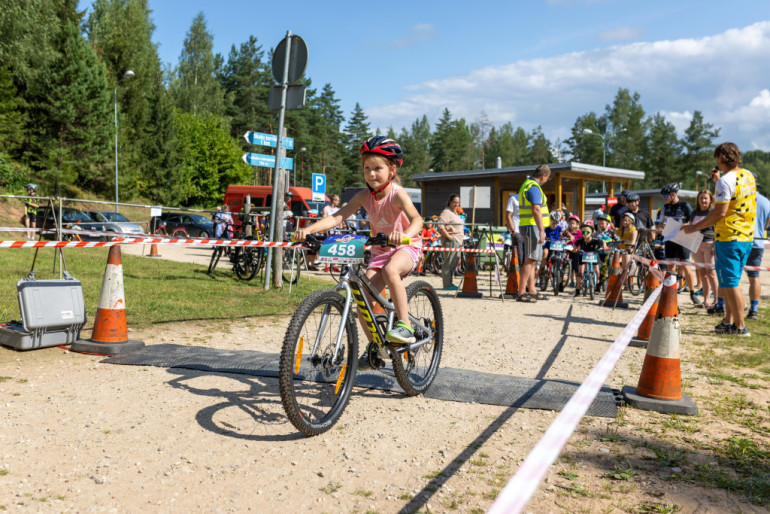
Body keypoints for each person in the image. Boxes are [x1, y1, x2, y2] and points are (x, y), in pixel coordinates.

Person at [293, 136, 423, 365]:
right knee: (363, 297)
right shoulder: (364, 196)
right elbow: (337, 217)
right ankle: (377, 347)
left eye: (377, 168)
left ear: (392, 169)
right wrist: (308, 229)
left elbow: (417, 220)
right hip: (380, 252)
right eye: (367, 168)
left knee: (392, 270)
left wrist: (405, 235)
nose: (371, 174)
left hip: (406, 247)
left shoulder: (398, 194)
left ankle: (405, 325)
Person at [683, 142, 756, 337]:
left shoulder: (725, 181)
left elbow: (719, 212)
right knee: (729, 283)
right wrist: (718, 181)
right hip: (745, 237)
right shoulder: (747, 175)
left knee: (731, 283)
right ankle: (729, 321)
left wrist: (693, 227)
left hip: (729, 237)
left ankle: (740, 327)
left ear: (721, 159)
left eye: (717, 158)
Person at [659, 183, 698, 304]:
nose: (664, 197)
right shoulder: (665, 207)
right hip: (670, 239)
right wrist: (663, 226)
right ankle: (670, 292)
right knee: (670, 267)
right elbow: (660, 223)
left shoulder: (685, 205)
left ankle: (692, 293)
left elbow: (693, 222)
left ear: (673, 194)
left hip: (683, 239)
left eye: (666, 195)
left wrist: (680, 227)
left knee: (685, 266)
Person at [517, 164, 551, 302]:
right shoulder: (533, 187)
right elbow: (536, 209)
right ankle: (521, 292)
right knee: (530, 259)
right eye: (547, 178)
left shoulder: (528, 184)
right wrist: (542, 230)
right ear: (543, 176)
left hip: (530, 225)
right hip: (532, 226)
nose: (546, 180)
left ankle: (532, 290)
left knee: (533, 260)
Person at [744, 188, 770, 320]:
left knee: (733, 277)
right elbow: (767, 224)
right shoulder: (766, 201)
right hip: (758, 242)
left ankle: (734, 304)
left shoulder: (742, 198)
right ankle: (753, 309)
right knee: (754, 277)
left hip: (740, 241)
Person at [691, 190, 718, 310]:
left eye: (706, 198)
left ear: (710, 200)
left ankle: (717, 301)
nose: (703, 201)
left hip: (709, 244)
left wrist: (715, 246)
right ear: (698, 200)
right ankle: (706, 301)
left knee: (711, 273)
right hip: (696, 244)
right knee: (703, 275)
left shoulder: (714, 212)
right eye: (701, 198)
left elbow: (718, 230)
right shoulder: (694, 213)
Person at [436, 194, 464, 290]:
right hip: (451, 240)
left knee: (454, 263)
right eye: (454, 202)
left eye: (458, 202)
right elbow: (440, 225)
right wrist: (448, 236)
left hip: (457, 241)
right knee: (449, 263)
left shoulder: (455, 213)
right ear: (450, 202)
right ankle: (447, 284)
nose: (456, 204)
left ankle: (450, 283)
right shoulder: (446, 212)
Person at [573, 222, 608, 296]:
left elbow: (603, 241)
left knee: (598, 271)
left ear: (591, 233)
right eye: (583, 232)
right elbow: (575, 244)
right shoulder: (581, 240)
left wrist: (604, 247)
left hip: (593, 256)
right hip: (583, 256)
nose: (585, 234)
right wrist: (575, 248)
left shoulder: (595, 240)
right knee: (580, 272)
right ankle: (578, 289)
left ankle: (597, 285)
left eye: (587, 232)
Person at [504, 192, 525, 268]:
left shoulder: (530, 199)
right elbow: (508, 215)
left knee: (527, 257)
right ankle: (517, 275)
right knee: (519, 256)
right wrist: (513, 230)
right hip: (517, 231)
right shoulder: (513, 199)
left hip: (528, 231)